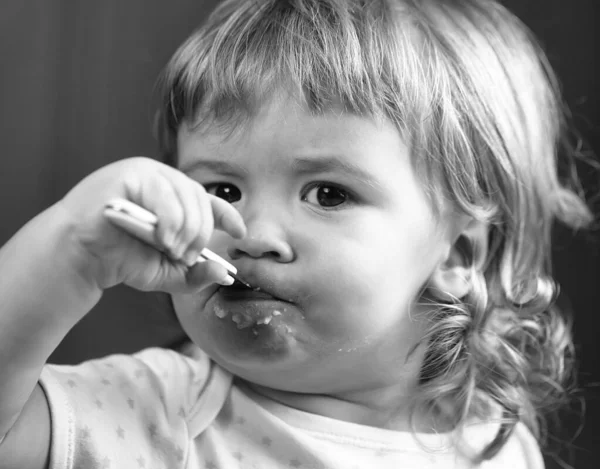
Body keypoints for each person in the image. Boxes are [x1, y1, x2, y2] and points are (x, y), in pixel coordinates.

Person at [0, 0, 593, 467]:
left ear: (458, 252)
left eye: (328, 194)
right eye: (222, 191)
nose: (254, 235)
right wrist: (68, 251)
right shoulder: (157, 410)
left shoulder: (493, 447)